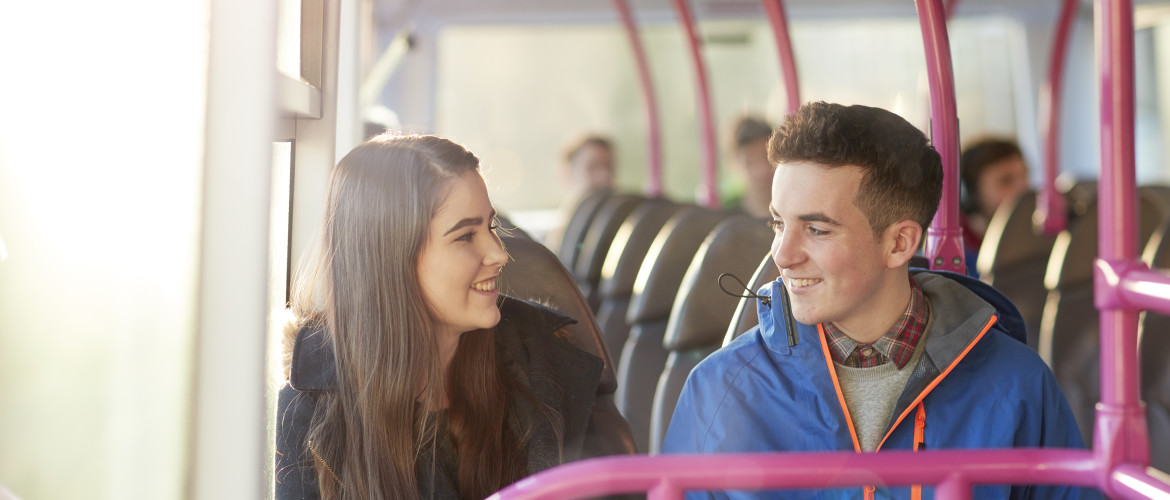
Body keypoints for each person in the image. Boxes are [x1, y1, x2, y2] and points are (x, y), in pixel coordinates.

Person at [662, 103, 1096, 499]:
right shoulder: (719, 390)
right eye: (779, 223)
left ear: (899, 243)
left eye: (817, 229)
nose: (782, 255)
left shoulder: (1017, 384)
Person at [274, 134, 634, 500]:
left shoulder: (545, 367)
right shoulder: (315, 403)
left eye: (490, 227)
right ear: (391, 259)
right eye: (465, 236)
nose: (499, 253)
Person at [959, 137, 1030, 253]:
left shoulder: (1036, 238)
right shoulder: (956, 256)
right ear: (971, 193)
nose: (1024, 189)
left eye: (1024, 176)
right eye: (1006, 180)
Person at [724, 116, 775, 218]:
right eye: (749, 162)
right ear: (734, 163)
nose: (762, 170)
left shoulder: (797, 210)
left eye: (768, 158)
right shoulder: (726, 218)